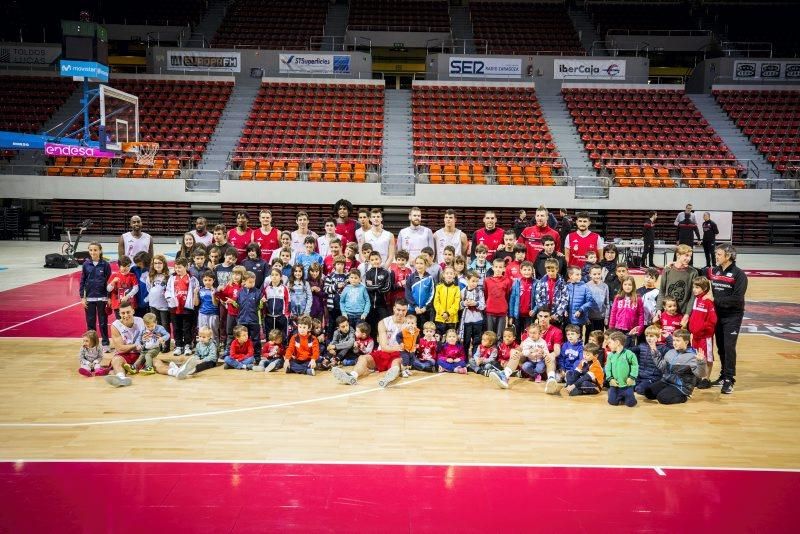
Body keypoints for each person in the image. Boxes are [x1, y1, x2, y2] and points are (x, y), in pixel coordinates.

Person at [331, 299, 410, 388]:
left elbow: (409, 347)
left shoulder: (409, 325)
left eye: (403, 310)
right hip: (383, 353)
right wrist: (400, 347)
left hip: (398, 355)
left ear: (407, 310)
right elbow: (384, 347)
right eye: (398, 310)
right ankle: (352, 376)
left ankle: (387, 379)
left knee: (397, 362)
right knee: (363, 358)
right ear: (394, 308)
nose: (400, 313)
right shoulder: (383, 322)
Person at [708, 244, 747, 394]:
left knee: (729, 347)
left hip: (732, 316)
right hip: (717, 315)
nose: (716, 256)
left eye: (719, 254)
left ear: (728, 256)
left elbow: (737, 299)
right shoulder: (715, 270)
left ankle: (730, 379)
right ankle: (724, 375)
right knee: (721, 347)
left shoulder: (739, 275)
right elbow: (699, 271)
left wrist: (714, 300)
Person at [644, 329, 707, 404]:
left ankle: (684, 397)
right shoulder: (670, 352)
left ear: (686, 342)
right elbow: (661, 367)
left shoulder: (692, 356)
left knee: (662, 398)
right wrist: (654, 349)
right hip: (666, 381)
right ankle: (668, 391)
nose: (675, 343)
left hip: (681, 386)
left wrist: (701, 362)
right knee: (648, 393)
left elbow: (701, 374)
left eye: (678, 340)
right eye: (674, 340)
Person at [79, 241, 112, 351]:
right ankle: (92, 344)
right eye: (91, 250)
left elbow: (109, 282)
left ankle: (105, 343)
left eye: (95, 250)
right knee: (90, 323)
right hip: (89, 299)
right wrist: (82, 298)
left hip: (102, 298)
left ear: (100, 251)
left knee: (103, 322)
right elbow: (82, 281)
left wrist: (109, 297)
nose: (93, 252)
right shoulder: (85, 265)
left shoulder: (105, 265)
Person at [103, 303, 144, 387]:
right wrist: (135, 346)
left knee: (156, 361)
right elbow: (120, 348)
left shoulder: (140, 321)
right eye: (123, 313)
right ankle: (121, 378)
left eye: (128, 312)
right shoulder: (116, 325)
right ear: (119, 314)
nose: (126, 315)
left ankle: (174, 371)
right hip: (125, 354)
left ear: (133, 311)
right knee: (116, 361)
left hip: (140, 354)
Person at [687, 276, 717, 389]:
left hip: (705, 337)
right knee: (697, 357)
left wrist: (702, 329)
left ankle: (706, 379)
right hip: (695, 336)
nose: (694, 289)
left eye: (697, 287)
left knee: (707, 357)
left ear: (704, 288)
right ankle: (699, 376)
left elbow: (712, 320)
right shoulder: (696, 299)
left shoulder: (707, 302)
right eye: (694, 287)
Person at [166, 257, 200, 356]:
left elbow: (196, 292)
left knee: (187, 328)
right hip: (175, 308)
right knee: (176, 328)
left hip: (187, 309)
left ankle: (187, 345)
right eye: (176, 268)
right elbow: (168, 290)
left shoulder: (192, 279)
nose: (177, 270)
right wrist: (169, 298)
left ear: (186, 267)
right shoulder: (172, 278)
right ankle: (178, 346)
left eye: (180, 267)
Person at [656, 244, 697, 317]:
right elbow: (662, 291)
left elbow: (692, 296)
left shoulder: (693, 272)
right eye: (686, 255)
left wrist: (687, 314)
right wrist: (659, 309)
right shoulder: (667, 270)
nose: (689, 258)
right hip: (666, 313)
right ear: (678, 255)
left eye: (690, 256)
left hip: (683, 314)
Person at [604, 331, 639, 407]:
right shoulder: (610, 356)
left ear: (617, 342)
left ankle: (626, 396)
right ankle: (613, 393)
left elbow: (635, 366)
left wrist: (632, 377)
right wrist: (610, 379)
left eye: (609, 342)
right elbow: (607, 368)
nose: (608, 345)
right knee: (612, 402)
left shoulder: (629, 354)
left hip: (627, 385)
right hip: (615, 385)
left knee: (631, 404)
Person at [608, 277, 645, 345]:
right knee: (618, 347)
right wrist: (611, 327)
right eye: (625, 284)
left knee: (629, 348)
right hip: (618, 328)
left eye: (629, 285)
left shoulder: (638, 299)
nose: (627, 287)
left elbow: (641, 314)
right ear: (622, 285)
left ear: (633, 286)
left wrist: (640, 328)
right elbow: (613, 313)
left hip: (631, 329)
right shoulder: (618, 298)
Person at [364, 251, 393, 334]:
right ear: (369, 261)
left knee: (383, 324)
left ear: (380, 259)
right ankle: (373, 342)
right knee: (371, 324)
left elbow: (387, 288)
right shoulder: (368, 273)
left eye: (376, 259)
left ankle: (382, 342)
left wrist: (375, 287)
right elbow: (368, 287)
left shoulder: (385, 272)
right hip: (370, 304)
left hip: (382, 304)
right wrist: (379, 286)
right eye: (372, 260)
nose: (375, 261)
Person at [236, 271, 262, 363]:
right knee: (242, 339)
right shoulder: (240, 292)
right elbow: (237, 305)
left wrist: (262, 302)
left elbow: (260, 306)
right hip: (242, 320)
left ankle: (257, 357)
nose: (252, 284)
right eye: (250, 282)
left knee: (255, 340)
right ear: (244, 281)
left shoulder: (258, 292)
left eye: (253, 282)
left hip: (254, 320)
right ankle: (243, 356)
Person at [459, 270, 486, 359]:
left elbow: (483, 305)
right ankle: (465, 358)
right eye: (473, 281)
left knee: (476, 340)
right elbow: (459, 305)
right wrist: (464, 303)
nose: (475, 283)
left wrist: (476, 303)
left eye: (477, 281)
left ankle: (475, 358)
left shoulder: (480, 292)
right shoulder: (463, 291)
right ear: (467, 280)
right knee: (466, 341)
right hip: (466, 320)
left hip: (477, 320)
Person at [533, 258, 569, 324]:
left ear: (557, 269)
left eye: (552, 271)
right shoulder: (541, 282)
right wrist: (544, 312)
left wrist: (557, 313)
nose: (550, 273)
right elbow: (537, 297)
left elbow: (565, 299)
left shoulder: (562, 283)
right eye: (548, 271)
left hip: (557, 316)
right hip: (544, 316)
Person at [484, 257, 512, 338]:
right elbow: (486, 294)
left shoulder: (507, 281)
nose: (498, 269)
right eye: (496, 267)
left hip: (502, 312)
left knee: (500, 335)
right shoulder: (487, 280)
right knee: (490, 334)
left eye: (500, 267)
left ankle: (499, 349)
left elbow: (507, 295)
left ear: (504, 269)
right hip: (490, 311)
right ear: (492, 268)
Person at [634, 325, 666, 395]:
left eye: (651, 336)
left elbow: (672, 348)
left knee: (639, 389)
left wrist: (668, 337)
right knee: (628, 387)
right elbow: (628, 349)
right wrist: (629, 336)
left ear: (657, 337)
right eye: (647, 336)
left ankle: (659, 387)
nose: (648, 338)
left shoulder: (662, 348)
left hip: (652, 378)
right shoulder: (642, 346)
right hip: (640, 377)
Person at [405, 255, 435, 326]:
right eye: (417, 263)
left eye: (421, 263)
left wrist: (425, 307)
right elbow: (408, 294)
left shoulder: (430, 278)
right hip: (412, 309)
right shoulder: (411, 277)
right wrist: (415, 306)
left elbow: (432, 294)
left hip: (425, 311)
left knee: (423, 331)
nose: (419, 265)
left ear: (426, 265)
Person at [508, 261, 536, 335]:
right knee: (516, 334)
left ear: (532, 270)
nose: (527, 272)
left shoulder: (536, 283)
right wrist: (511, 315)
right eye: (525, 270)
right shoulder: (517, 282)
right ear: (520, 271)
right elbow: (512, 300)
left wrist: (534, 310)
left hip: (529, 315)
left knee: (527, 334)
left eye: (529, 270)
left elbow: (538, 300)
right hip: (517, 314)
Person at [107, 255, 139, 319]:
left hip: (130, 304)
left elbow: (136, 288)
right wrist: (113, 282)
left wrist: (127, 296)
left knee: (130, 322)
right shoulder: (114, 276)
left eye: (128, 266)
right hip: (117, 305)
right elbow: (108, 289)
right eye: (124, 266)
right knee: (119, 323)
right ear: (119, 266)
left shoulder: (132, 276)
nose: (126, 268)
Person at [262, 267, 290, 339]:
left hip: (281, 317)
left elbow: (288, 301)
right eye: (272, 275)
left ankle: (283, 349)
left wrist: (286, 314)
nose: (274, 276)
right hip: (269, 317)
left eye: (276, 275)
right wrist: (264, 313)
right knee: (270, 337)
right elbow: (263, 302)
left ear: (281, 277)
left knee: (282, 336)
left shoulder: (284, 288)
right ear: (270, 277)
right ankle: (269, 349)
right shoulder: (266, 289)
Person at [433, 266, 460, 336]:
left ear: (454, 275)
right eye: (447, 273)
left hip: (452, 319)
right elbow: (436, 302)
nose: (449, 275)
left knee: (450, 338)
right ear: (443, 275)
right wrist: (442, 313)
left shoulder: (457, 289)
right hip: (440, 318)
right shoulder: (438, 287)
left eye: (451, 273)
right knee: (439, 337)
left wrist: (448, 313)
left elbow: (456, 304)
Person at [586, 264, 610, 340]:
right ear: (590, 274)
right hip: (590, 318)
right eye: (594, 274)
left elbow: (607, 302)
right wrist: (586, 317)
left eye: (599, 274)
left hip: (601, 317)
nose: (597, 276)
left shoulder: (605, 286)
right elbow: (584, 303)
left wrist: (606, 317)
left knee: (599, 338)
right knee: (589, 337)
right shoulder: (586, 286)